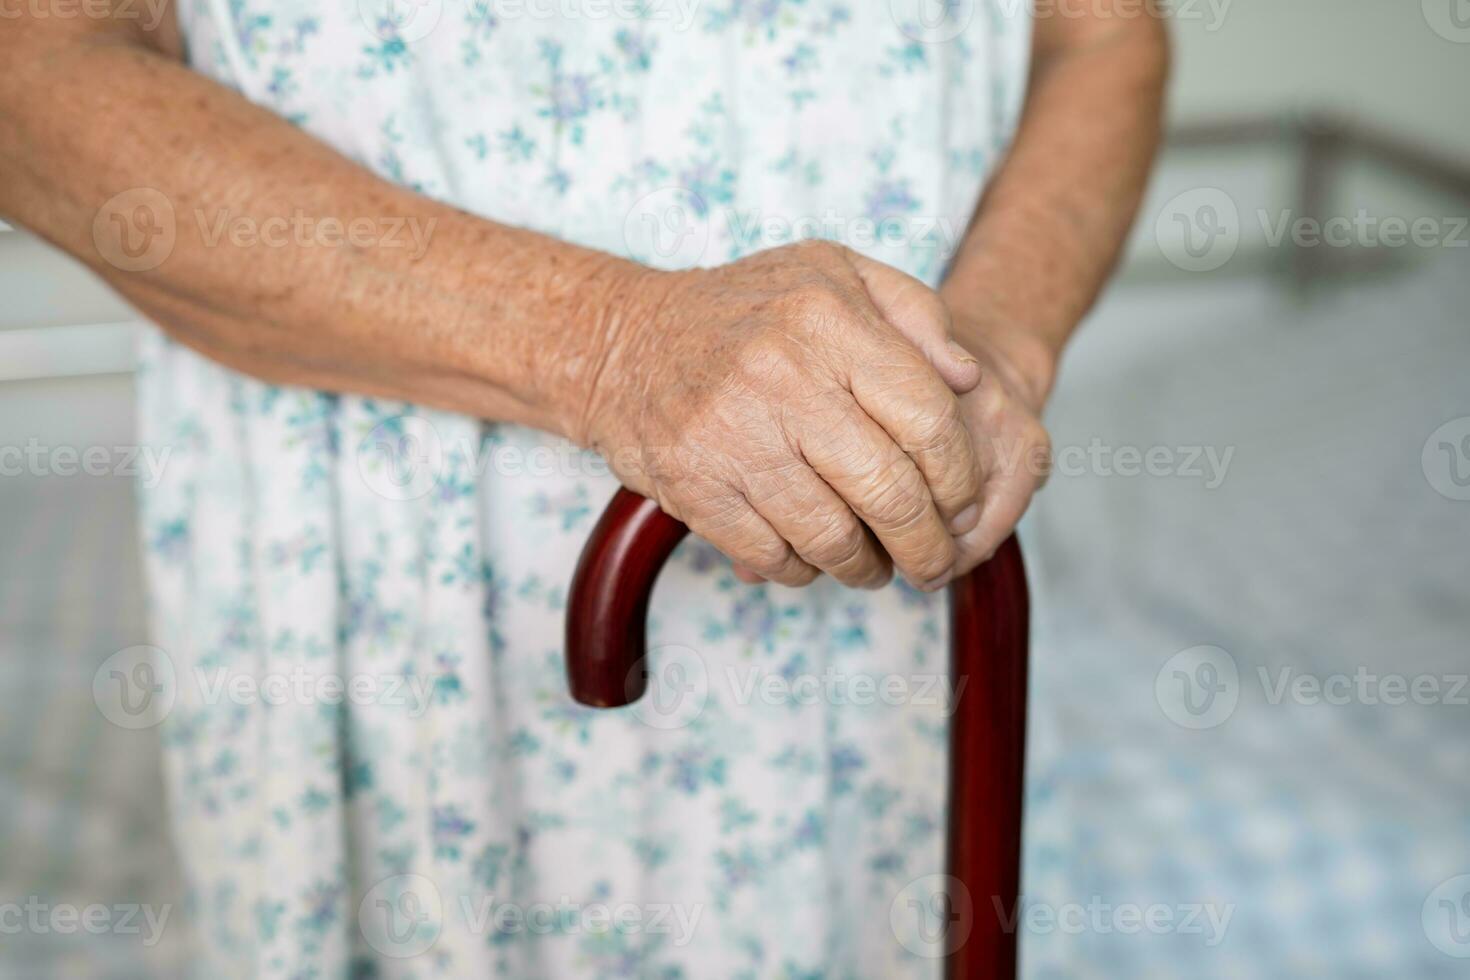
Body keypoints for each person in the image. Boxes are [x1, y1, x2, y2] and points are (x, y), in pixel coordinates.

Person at [0, 1, 1167, 975]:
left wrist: (988, 354)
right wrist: (618, 346)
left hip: (901, 618)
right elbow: (32, 72)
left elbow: (1103, 34)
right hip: (395, 616)